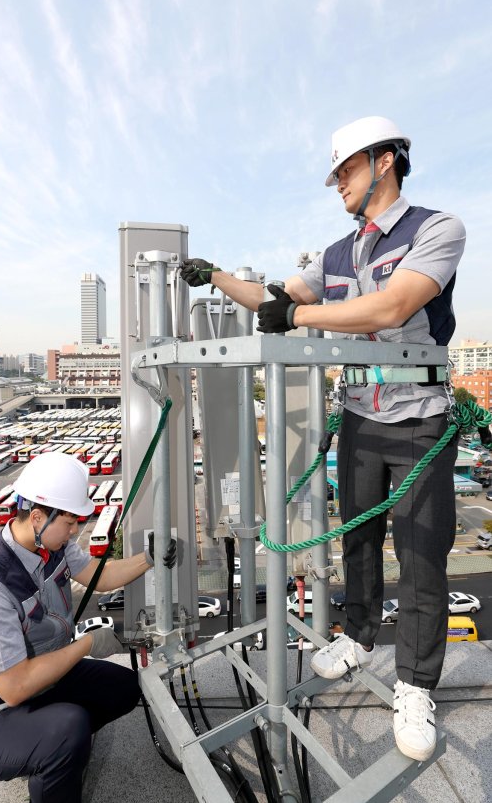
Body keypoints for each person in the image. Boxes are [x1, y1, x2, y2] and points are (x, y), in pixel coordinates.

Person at [180, 115, 466, 762]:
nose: (336, 182)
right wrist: (219, 276)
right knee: (358, 538)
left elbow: (393, 306)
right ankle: (360, 635)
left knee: (421, 557)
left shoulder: (437, 229)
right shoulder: (337, 253)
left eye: (345, 169)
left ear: (385, 161)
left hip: (420, 415)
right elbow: (274, 298)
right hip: (362, 416)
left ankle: (416, 684)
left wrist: (297, 313)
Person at [0, 451, 176, 802]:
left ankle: (53, 752)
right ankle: (51, 755)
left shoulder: (52, 546)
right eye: (69, 523)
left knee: (124, 688)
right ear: (37, 517)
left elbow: (100, 577)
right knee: (68, 728)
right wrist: (86, 644)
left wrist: (148, 558)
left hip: (39, 686)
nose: (74, 532)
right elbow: (14, 686)